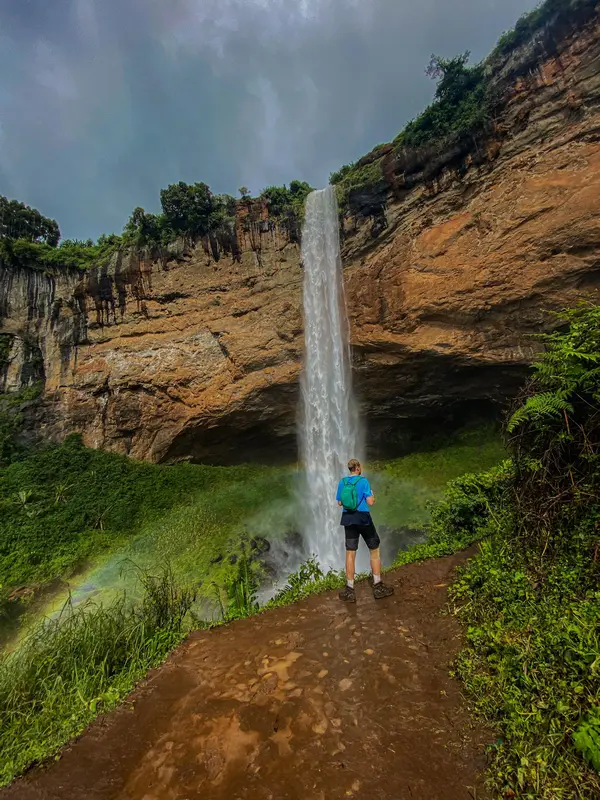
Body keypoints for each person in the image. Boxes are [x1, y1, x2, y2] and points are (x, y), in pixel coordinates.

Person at [336, 459, 394, 602]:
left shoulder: (342, 482)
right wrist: (372, 495)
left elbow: (339, 502)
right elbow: (370, 502)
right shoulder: (363, 481)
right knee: (374, 549)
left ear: (349, 469)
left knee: (350, 552)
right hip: (363, 518)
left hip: (348, 519)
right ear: (357, 468)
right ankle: (378, 586)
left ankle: (350, 590)